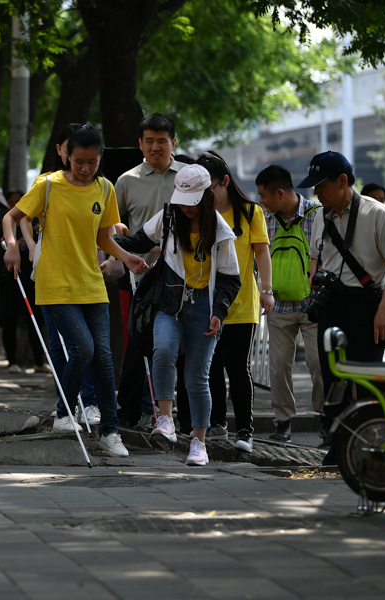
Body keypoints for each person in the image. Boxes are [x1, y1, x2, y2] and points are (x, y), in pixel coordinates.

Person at [3, 125, 147, 457]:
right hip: (54, 283)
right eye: (79, 161)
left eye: (92, 162)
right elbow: (13, 218)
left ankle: (110, 432)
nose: (85, 168)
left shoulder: (105, 188)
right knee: (82, 348)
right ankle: (65, 412)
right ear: (67, 155)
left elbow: (103, 237)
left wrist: (126, 257)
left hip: (91, 283)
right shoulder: (49, 185)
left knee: (105, 357)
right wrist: (13, 248)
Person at [114, 164, 241, 466]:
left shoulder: (221, 231)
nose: (186, 208)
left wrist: (219, 312)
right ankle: (166, 420)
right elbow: (137, 243)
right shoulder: (169, 215)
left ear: (207, 197)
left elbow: (230, 278)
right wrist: (107, 239)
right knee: (164, 350)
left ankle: (199, 442)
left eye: (192, 202)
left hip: (204, 307)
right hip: (169, 302)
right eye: (182, 201)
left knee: (197, 378)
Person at [299, 151, 385, 465]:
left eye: (320, 185)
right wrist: (313, 278)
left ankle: (373, 443)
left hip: (368, 305)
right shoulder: (321, 215)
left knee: (367, 379)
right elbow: (317, 257)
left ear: (342, 181)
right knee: (332, 376)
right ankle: (339, 443)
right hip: (332, 304)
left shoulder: (378, 213)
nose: (315, 192)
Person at [194, 152, 272, 453]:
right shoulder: (198, 213)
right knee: (209, 366)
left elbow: (262, 252)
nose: (204, 195)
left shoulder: (251, 212)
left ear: (225, 181)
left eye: (209, 187)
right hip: (206, 303)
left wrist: (268, 289)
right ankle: (216, 423)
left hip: (241, 304)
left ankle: (245, 430)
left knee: (237, 366)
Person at [114, 114, 188, 430]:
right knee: (138, 345)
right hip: (140, 277)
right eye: (149, 140)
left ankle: (185, 419)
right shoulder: (126, 180)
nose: (155, 146)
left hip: (186, 278)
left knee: (183, 347)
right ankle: (128, 414)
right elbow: (113, 228)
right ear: (141, 143)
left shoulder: (190, 176)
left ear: (173, 142)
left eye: (162, 140)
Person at [255, 165, 325, 442]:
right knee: (279, 364)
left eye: (264, 196)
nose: (261, 201)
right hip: (279, 307)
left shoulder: (317, 215)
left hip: (313, 306)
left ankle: (325, 416)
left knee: (318, 362)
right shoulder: (265, 219)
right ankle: (283, 421)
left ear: (280, 193)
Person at [0, 191, 50, 375]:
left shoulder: (35, 222)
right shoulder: (1, 227)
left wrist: (28, 245)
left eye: (19, 202)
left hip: (31, 279)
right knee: (9, 320)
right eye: (12, 202)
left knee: (36, 319)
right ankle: (12, 361)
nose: (15, 205)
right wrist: (12, 246)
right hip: (10, 280)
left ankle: (39, 361)